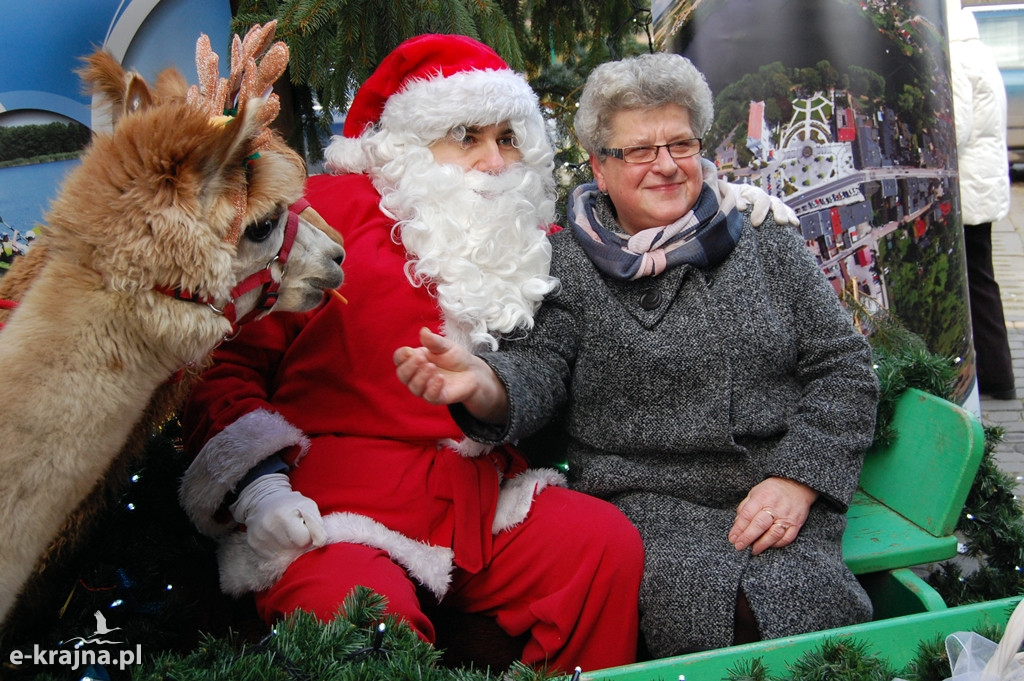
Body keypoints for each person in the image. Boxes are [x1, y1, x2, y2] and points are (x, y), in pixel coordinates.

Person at [178, 34, 645, 674]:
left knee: (601, 545)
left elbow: (630, 252)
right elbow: (218, 362)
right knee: (356, 619)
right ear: (408, 142)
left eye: (508, 138)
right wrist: (260, 489)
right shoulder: (322, 214)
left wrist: (728, 208)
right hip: (333, 509)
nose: (492, 161)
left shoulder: (529, 240)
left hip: (479, 503)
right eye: (467, 136)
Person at [395, 52, 880, 658]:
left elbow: (843, 368)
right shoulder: (565, 264)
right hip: (647, 500)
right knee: (722, 609)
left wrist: (798, 479)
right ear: (599, 167)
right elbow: (538, 369)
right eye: (640, 151)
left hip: (774, 490)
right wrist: (485, 383)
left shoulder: (762, 237)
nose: (667, 166)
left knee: (806, 608)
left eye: (681, 144)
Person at [948, 0, 1016, 401]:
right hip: (984, 184)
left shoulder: (955, 58)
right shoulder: (979, 51)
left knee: (976, 283)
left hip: (969, 189)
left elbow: (957, 127)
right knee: (982, 281)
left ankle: (994, 376)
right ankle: (999, 375)